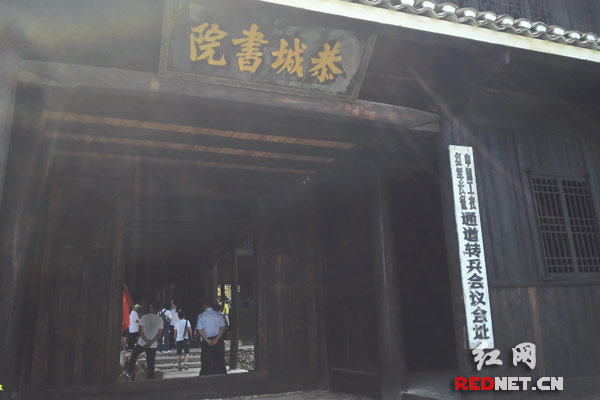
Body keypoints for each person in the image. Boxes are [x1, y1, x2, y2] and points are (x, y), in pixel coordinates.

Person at [125, 303, 163, 380]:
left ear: (152, 308)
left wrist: (146, 340)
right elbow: (159, 333)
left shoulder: (144, 317)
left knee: (134, 355)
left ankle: (129, 371)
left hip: (142, 342)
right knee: (151, 362)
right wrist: (151, 341)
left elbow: (140, 330)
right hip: (152, 344)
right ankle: (150, 378)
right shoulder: (160, 319)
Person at [196, 298, 227, 375]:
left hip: (207, 340)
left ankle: (206, 376)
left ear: (205, 305)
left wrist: (207, 340)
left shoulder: (201, 316)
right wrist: (217, 338)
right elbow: (223, 327)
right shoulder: (219, 315)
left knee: (206, 361)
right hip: (217, 339)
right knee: (219, 360)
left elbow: (199, 329)